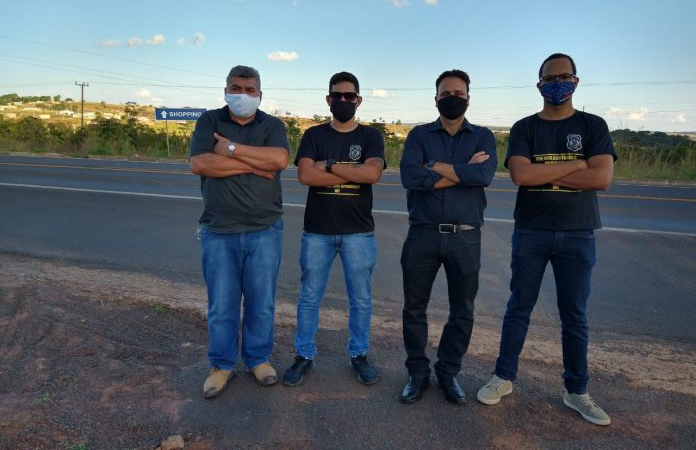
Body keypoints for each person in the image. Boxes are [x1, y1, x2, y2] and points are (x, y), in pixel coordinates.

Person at [477, 53, 616, 426]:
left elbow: (601, 178)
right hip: (532, 231)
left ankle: (577, 390)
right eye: (550, 78)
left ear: (576, 80)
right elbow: (522, 175)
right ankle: (503, 377)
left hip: (578, 233)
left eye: (564, 76)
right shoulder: (525, 128)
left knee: (575, 315)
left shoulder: (592, 125)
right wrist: (578, 163)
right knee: (519, 307)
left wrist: (546, 171)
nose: (558, 83)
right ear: (539, 84)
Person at [189, 65, 289, 398]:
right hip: (219, 230)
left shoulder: (272, 125)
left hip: (264, 230)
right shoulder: (210, 121)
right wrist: (255, 165)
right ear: (225, 91)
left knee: (262, 303)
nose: (242, 95)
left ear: (260, 94)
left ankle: (258, 359)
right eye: (236, 88)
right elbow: (201, 164)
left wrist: (230, 150)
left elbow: (278, 161)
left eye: (249, 90)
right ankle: (222, 365)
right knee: (222, 304)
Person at [399, 69, 497, 404]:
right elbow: (410, 177)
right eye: (445, 93)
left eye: (458, 93)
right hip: (422, 234)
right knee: (414, 309)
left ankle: (448, 372)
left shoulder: (483, 136)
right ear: (436, 98)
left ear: (468, 98)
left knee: (463, 310)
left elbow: (483, 175)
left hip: (465, 237)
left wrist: (434, 165)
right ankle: (417, 374)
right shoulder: (419, 135)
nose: (452, 98)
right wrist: (463, 171)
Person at [283, 71, 386, 387]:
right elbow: (306, 176)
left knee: (361, 299)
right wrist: (353, 172)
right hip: (318, 231)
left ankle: (359, 354)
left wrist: (328, 165)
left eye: (349, 96)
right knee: (309, 296)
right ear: (328, 99)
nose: (343, 100)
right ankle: (304, 355)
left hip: (358, 232)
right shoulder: (314, 135)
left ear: (358, 100)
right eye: (337, 96)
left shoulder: (370, 136)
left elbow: (372, 175)